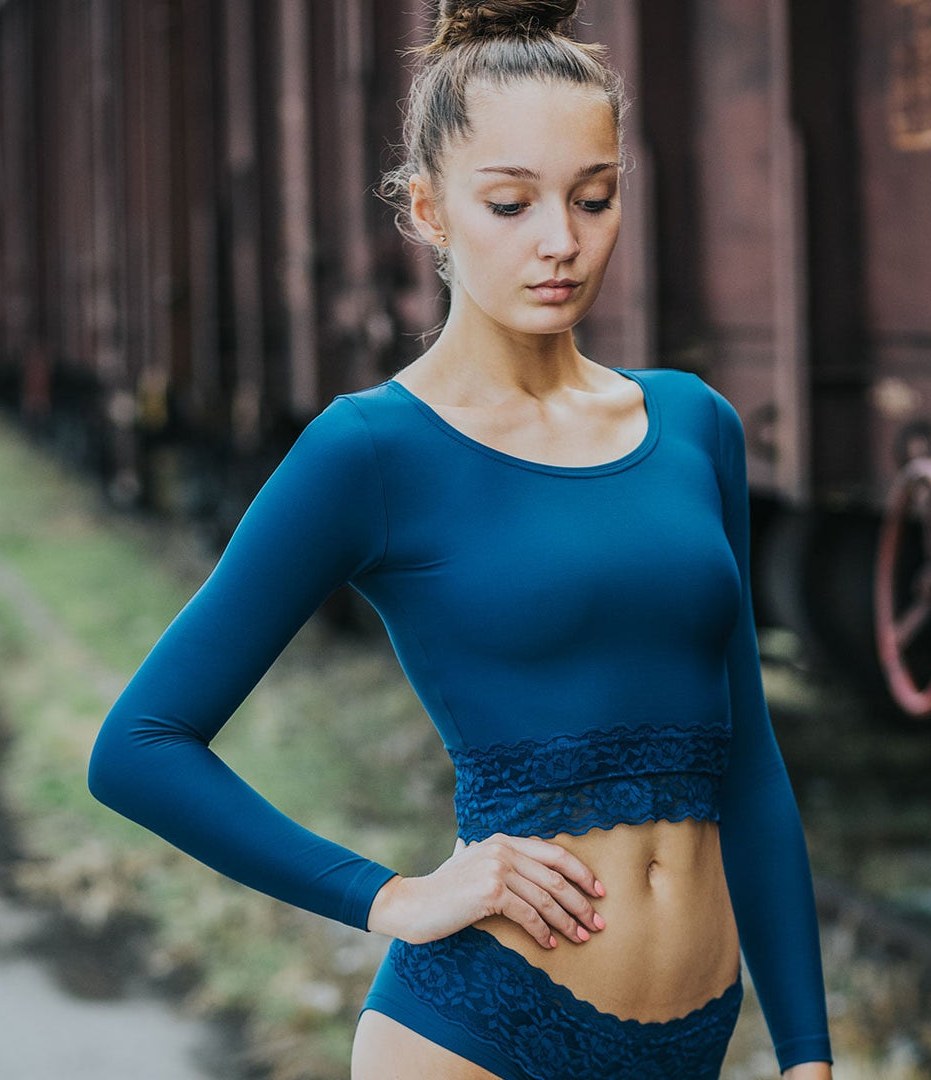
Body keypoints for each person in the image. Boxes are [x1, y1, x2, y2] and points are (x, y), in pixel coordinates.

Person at [88, 2, 834, 1077]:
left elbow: (750, 768)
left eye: (595, 197)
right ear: (429, 210)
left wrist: (806, 1052)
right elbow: (139, 746)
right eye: (509, 202)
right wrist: (391, 896)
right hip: (480, 1032)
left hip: (695, 1041)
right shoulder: (372, 450)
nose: (561, 242)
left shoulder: (693, 426)